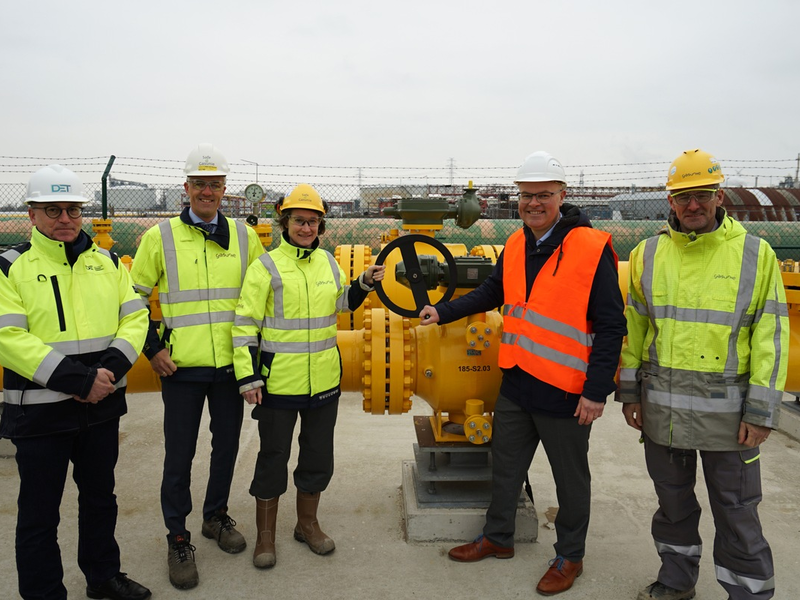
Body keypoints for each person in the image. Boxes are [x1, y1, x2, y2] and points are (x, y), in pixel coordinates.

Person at [419, 151, 626, 596]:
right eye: (526, 196)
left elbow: (612, 326)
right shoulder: (517, 243)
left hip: (566, 390)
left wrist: (596, 391)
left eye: (544, 196)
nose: (534, 203)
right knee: (506, 466)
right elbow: (495, 291)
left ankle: (570, 556)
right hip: (517, 381)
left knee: (570, 479)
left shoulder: (591, 249)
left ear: (562, 196)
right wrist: (444, 311)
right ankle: (498, 538)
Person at [618, 149, 788, 600]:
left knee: (737, 512)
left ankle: (749, 594)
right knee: (672, 507)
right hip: (663, 413)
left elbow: (771, 336)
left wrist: (761, 411)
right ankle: (676, 583)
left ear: (719, 197)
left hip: (730, 420)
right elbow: (635, 328)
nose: (693, 206)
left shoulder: (755, 254)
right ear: (669, 201)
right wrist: (630, 394)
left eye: (702, 195)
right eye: (682, 197)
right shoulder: (647, 254)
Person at [0, 165, 151, 600]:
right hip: (40, 414)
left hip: (100, 408)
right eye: (53, 210)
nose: (64, 218)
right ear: (31, 214)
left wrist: (108, 371)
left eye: (72, 209)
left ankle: (103, 577)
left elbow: (135, 317)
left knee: (101, 500)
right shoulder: (10, 268)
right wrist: (80, 380)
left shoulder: (106, 263)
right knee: (39, 516)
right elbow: (9, 338)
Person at [130, 144, 265, 590]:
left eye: (215, 184)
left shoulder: (245, 237)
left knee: (226, 446)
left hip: (229, 367)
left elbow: (259, 298)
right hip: (181, 368)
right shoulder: (160, 237)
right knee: (179, 455)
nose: (207, 191)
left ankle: (215, 516)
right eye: (199, 184)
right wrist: (153, 348)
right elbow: (132, 299)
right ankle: (178, 536)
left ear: (225, 190)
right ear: (186, 188)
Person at [232, 183, 385, 569]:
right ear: (285, 222)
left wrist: (364, 283)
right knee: (272, 458)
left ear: (321, 225)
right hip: (278, 385)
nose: (306, 228)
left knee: (317, 457)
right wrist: (248, 377)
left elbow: (340, 304)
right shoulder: (265, 267)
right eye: (300, 221)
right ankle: (265, 536)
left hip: (323, 383)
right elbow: (245, 324)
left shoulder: (328, 264)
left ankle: (307, 524)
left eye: (313, 222)